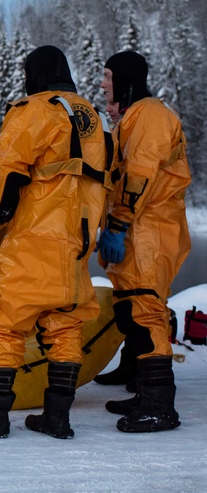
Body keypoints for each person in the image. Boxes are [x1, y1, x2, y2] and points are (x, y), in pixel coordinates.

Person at [0, 45, 113, 439]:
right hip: (78, 241)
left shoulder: (34, 109)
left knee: (3, 321)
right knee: (65, 324)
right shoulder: (95, 118)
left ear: (34, 73)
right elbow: (109, 180)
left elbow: (7, 173)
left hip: (33, 237)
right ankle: (57, 418)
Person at [95, 50, 189, 433]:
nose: (103, 84)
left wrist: (117, 224)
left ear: (126, 80)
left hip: (150, 229)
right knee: (130, 308)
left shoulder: (149, 114)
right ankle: (137, 382)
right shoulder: (132, 118)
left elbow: (139, 173)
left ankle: (158, 405)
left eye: (108, 76)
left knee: (146, 311)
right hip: (137, 230)